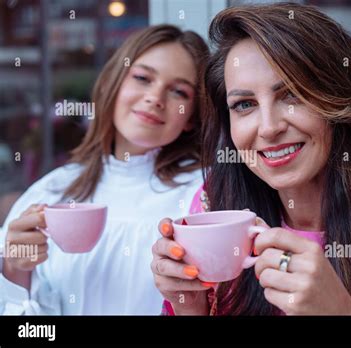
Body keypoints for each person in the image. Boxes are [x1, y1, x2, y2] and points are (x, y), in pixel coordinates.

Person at [151, 3, 351, 315]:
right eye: (245, 104)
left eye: (291, 95)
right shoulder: (215, 208)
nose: (268, 128)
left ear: (340, 102)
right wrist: (188, 304)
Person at [0, 25, 210, 314]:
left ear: (191, 117)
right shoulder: (54, 190)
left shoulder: (204, 194)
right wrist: (14, 265)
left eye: (178, 92)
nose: (155, 97)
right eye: (142, 78)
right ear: (113, 84)